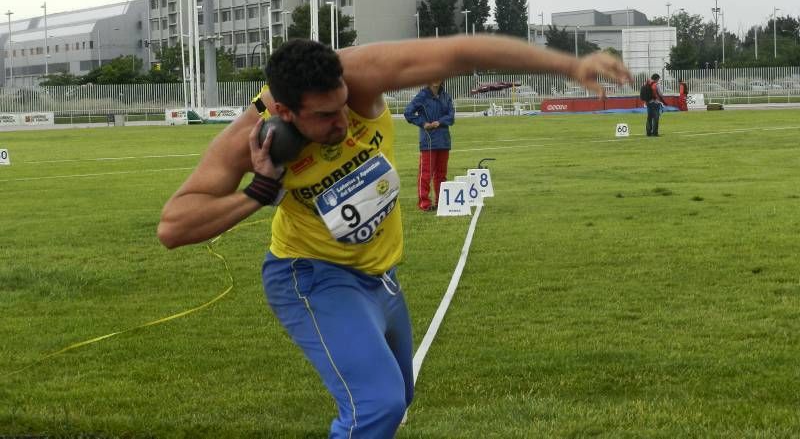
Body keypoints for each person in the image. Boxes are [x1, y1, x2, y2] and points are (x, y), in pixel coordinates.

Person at [157, 36, 632, 438]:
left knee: (398, 400)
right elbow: (174, 226)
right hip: (310, 276)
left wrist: (570, 63)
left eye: (342, 105)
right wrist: (260, 192)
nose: (342, 123)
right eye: (323, 116)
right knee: (376, 406)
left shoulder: (360, 76)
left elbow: (459, 53)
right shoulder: (252, 137)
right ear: (284, 111)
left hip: (381, 278)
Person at [404, 81, 455, 212]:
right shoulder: (422, 96)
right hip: (428, 141)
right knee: (425, 174)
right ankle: (424, 203)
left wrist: (440, 122)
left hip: (444, 140)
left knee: (441, 174)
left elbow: (451, 117)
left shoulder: (446, 96)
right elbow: (408, 113)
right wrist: (423, 123)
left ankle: (442, 202)